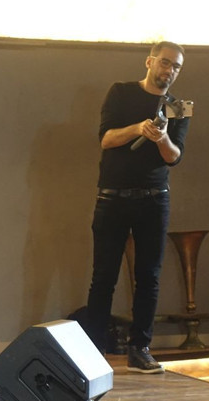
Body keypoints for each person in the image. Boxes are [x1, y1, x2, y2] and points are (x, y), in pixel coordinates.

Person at [84, 42, 191, 373]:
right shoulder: (121, 92)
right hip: (113, 196)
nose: (169, 70)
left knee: (149, 276)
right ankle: (91, 350)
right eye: (165, 63)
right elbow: (105, 139)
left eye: (176, 67)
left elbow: (174, 156)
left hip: (154, 197)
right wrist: (138, 128)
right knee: (104, 276)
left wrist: (161, 138)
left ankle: (140, 347)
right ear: (149, 62)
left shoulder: (179, 107)